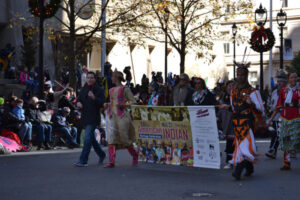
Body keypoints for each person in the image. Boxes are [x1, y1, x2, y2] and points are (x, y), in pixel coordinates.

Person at [230, 62, 264, 180]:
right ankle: (249, 167)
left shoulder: (253, 91)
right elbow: (233, 106)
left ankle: (237, 171)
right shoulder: (233, 91)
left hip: (247, 122)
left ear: (247, 75)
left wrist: (252, 104)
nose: (240, 77)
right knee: (240, 145)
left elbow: (261, 109)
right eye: (238, 75)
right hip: (236, 122)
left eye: (243, 75)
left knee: (245, 145)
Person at [104, 69, 138, 168]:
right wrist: (107, 104)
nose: (112, 78)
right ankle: (111, 161)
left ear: (117, 78)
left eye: (113, 76)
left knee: (124, 137)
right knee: (111, 138)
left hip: (122, 115)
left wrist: (124, 104)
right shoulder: (111, 90)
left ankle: (135, 155)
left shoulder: (125, 89)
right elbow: (113, 102)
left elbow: (133, 102)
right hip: (112, 116)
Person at [268, 72, 300, 170]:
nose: (293, 79)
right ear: (288, 79)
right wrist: (271, 119)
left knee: (296, 140)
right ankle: (287, 163)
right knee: (286, 140)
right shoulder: (283, 91)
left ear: (297, 79)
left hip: (296, 117)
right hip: (285, 117)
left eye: (295, 77)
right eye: (291, 77)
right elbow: (278, 106)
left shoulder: (299, 91)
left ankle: (293, 152)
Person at [74, 71, 106, 167]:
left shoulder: (99, 90)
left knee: (87, 138)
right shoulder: (84, 89)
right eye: (88, 78)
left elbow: (102, 103)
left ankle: (83, 160)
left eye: (92, 78)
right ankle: (102, 154)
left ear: (95, 79)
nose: (90, 79)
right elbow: (79, 99)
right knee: (91, 139)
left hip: (93, 117)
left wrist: (94, 98)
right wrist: (78, 103)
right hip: (85, 116)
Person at [265, 71, 288, 159]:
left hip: (283, 116)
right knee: (275, 134)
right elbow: (270, 103)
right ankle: (273, 151)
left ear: (285, 82)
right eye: (278, 81)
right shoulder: (274, 92)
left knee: (279, 134)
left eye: (281, 81)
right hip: (274, 116)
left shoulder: (287, 91)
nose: (279, 83)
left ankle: (272, 149)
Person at [217, 80, 235, 169]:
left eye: (232, 86)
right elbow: (219, 110)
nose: (230, 87)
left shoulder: (237, 97)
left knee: (233, 143)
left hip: (234, 123)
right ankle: (229, 160)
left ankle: (232, 161)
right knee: (229, 142)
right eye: (229, 85)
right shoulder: (223, 97)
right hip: (225, 123)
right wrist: (217, 118)